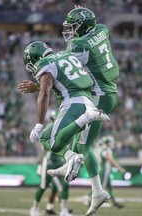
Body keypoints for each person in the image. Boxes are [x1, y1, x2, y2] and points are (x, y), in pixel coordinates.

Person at [48, 7, 121, 216]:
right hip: (109, 91)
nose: (70, 31)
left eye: (73, 27)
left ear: (83, 27)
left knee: (85, 145)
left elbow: (63, 66)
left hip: (99, 95)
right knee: (76, 133)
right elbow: (99, 29)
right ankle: (69, 162)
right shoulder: (102, 29)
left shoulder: (79, 45)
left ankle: (97, 191)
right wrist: (85, 17)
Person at [22, 41, 110, 185]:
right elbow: (76, 79)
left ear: (36, 57)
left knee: (55, 144)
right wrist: (38, 85)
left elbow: (45, 93)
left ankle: (88, 117)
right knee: (45, 137)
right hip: (87, 100)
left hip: (73, 104)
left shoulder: (45, 63)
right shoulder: (66, 55)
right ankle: (71, 157)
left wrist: (38, 124)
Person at [28, 112, 73, 216]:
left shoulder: (65, 127)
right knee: (44, 186)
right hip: (50, 161)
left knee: (64, 185)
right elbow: (44, 146)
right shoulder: (50, 127)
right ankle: (34, 208)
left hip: (60, 161)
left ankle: (64, 210)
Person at [84, 135, 126, 209]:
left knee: (109, 188)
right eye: (111, 142)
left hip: (104, 170)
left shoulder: (101, 149)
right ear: (108, 142)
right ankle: (90, 200)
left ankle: (115, 203)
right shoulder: (106, 150)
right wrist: (120, 169)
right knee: (100, 188)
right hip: (104, 171)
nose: (112, 143)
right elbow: (111, 160)